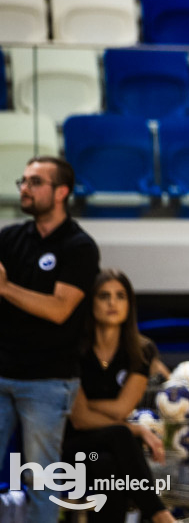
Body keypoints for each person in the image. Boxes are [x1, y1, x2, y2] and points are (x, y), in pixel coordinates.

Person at [0, 156, 100, 523]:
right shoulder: (9, 238)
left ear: (61, 192)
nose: (24, 188)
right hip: (2, 370)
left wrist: (6, 287)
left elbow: (60, 309)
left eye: (35, 182)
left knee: (40, 478)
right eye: (23, 180)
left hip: (47, 380)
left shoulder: (79, 246)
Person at [64, 269, 176, 523]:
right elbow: (79, 420)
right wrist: (136, 430)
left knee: (108, 461)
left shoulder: (142, 350)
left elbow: (121, 409)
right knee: (122, 436)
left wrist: (82, 403)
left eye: (120, 296)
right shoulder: (73, 349)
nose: (113, 303)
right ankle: (159, 514)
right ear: (91, 302)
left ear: (129, 304)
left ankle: (156, 514)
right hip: (74, 445)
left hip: (114, 448)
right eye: (104, 296)